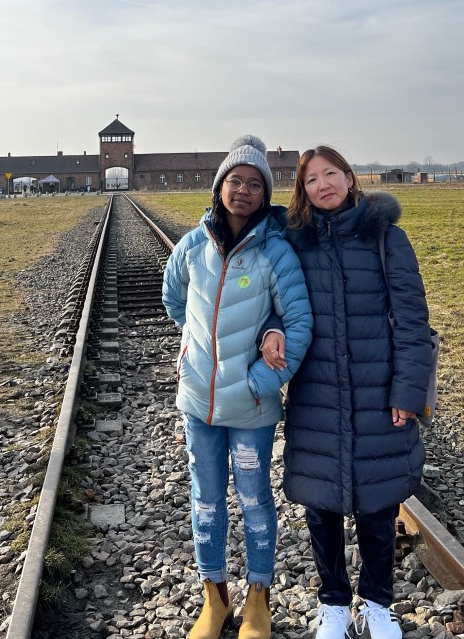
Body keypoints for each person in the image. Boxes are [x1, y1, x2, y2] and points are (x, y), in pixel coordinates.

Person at [262, 146, 432, 639]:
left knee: (379, 505)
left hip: (377, 391)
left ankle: (377, 604)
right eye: (311, 179)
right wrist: (271, 329)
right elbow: (275, 302)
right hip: (316, 392)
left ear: (350, 178)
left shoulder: (386, 238)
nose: (323, 185)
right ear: (303, 190)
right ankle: (333, 603)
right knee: (321, 506)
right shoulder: (295, 243)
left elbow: (414, 322)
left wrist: (407, 392)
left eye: (330, 173)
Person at [162, 135, 312, 639]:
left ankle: (258, 601)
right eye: (235, 181)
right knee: (205, 500)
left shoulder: (277, 253)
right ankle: (214, 599)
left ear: (265, 194)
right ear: (219, 187)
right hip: (198, 405)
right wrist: (193, 350)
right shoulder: (192, 245)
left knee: (253, 500)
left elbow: (299, 325)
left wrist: (259, 380)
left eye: (254, 184)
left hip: (251, 408)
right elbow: (174, 300)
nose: (243, 191)